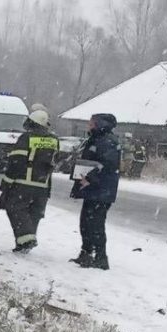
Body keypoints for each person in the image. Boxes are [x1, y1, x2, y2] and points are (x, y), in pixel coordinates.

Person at [0, 109, 59, 253]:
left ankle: (27, 240)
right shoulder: (54, 140)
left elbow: (16, 161)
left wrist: (7, 182)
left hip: (23, 184)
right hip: (43, 185)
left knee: (15, 208)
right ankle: (24, 243)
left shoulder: (26, 138)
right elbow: (54, 161)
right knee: (34, 213)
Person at [70, 113, 121, 270]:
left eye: (92, 123)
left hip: (101, 190)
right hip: (93, 189)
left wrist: (89, 178)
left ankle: (100, 257)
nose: (89, 125)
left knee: (96, 224)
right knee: (86, 222)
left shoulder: (108, 142)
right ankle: (86, 253)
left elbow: (106, 165)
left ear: (100, 124)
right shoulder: (96, 139)